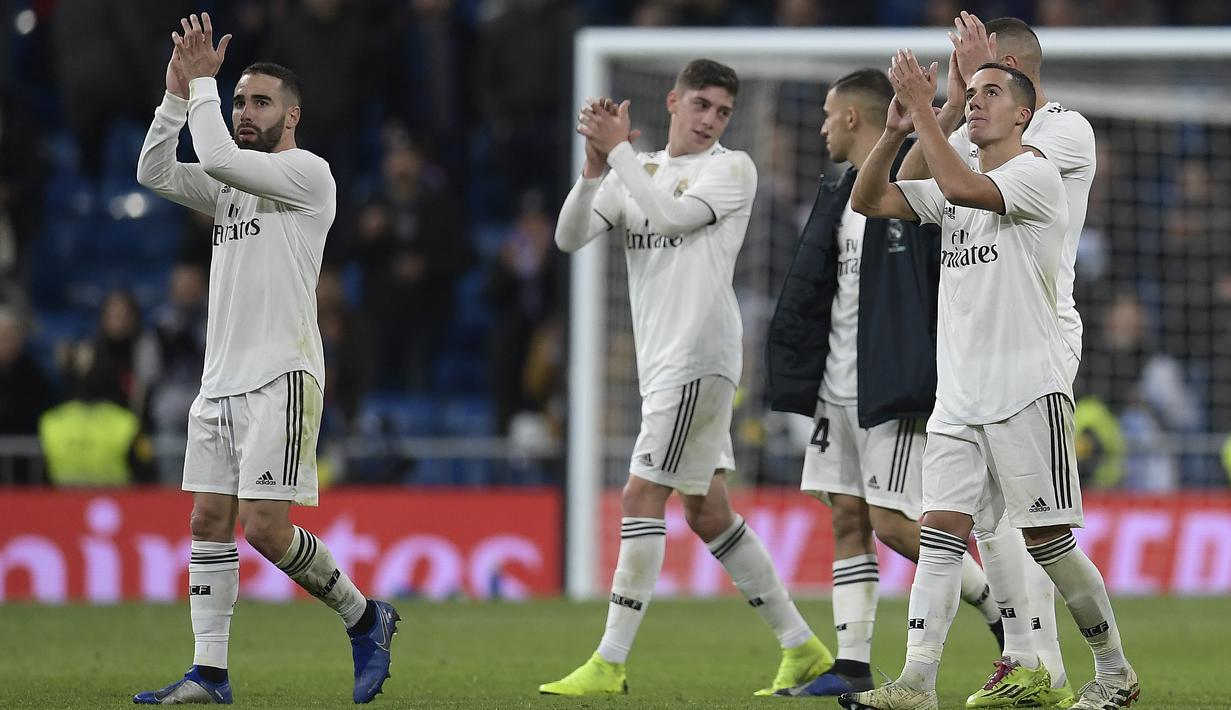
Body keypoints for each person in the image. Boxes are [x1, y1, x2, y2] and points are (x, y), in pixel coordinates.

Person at [838, 53, 1137, 710]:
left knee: (1048, 545)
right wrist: (894, 130)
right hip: (959, 396)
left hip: (1025, 392)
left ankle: (1113, 670)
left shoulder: (1033, 173)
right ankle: (917, 681)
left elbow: (968, 190)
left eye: (990, 92)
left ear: (1022, 114)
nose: (972, 101)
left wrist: (925, 114)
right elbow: (869, 198)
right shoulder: (958, 177)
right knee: (941, 534)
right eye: (967, 92)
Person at [540, 58, 834, 697]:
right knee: (706, 510)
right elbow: (568, 238)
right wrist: (595, 170)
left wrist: (617, 155)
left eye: (723, 111)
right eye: (701, 105)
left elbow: (670, 219)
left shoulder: (732, 170)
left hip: (699, 356)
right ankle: (802, 647)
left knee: (641, 496)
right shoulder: (636, 171)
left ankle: (609, 662)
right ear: (672, 102)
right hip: (663, 359)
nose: (711, 120)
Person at [133, 13, 398, 705]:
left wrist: (205, 88)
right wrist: (173, 96)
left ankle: (366, 617)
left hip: (282, 373)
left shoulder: (308, 174)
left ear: (292, 115)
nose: (246, 112)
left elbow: (218, 155)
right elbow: (153, 169)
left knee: (264, 529)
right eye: (241, 100)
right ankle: (209, 674)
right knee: (207, 522)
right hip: (218, 379)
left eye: (260, 102)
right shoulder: (229, 188)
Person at [764, 69, 1003, 698]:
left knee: (894, 524)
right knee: (846, 517)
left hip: (888, 385)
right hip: (834, 387)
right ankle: (851, 665)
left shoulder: (908, 186)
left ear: (851, 118)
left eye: (826, 113)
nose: (819, 126)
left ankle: (1001, 612)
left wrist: (943, 106)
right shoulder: (837, 191)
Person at [897, 13, 1098, 706]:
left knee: (1025, 517)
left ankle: (1052, 662)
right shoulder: (978, 124)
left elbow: (972, 172)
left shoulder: (1062, 129)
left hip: (1036, 324)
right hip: (976, 328)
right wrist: (946, 109)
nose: (973, 95)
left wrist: (947, 110)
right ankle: (1026, 662)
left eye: (983, 77)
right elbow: (923, 176)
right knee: (979, 514)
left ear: (1012, 68)